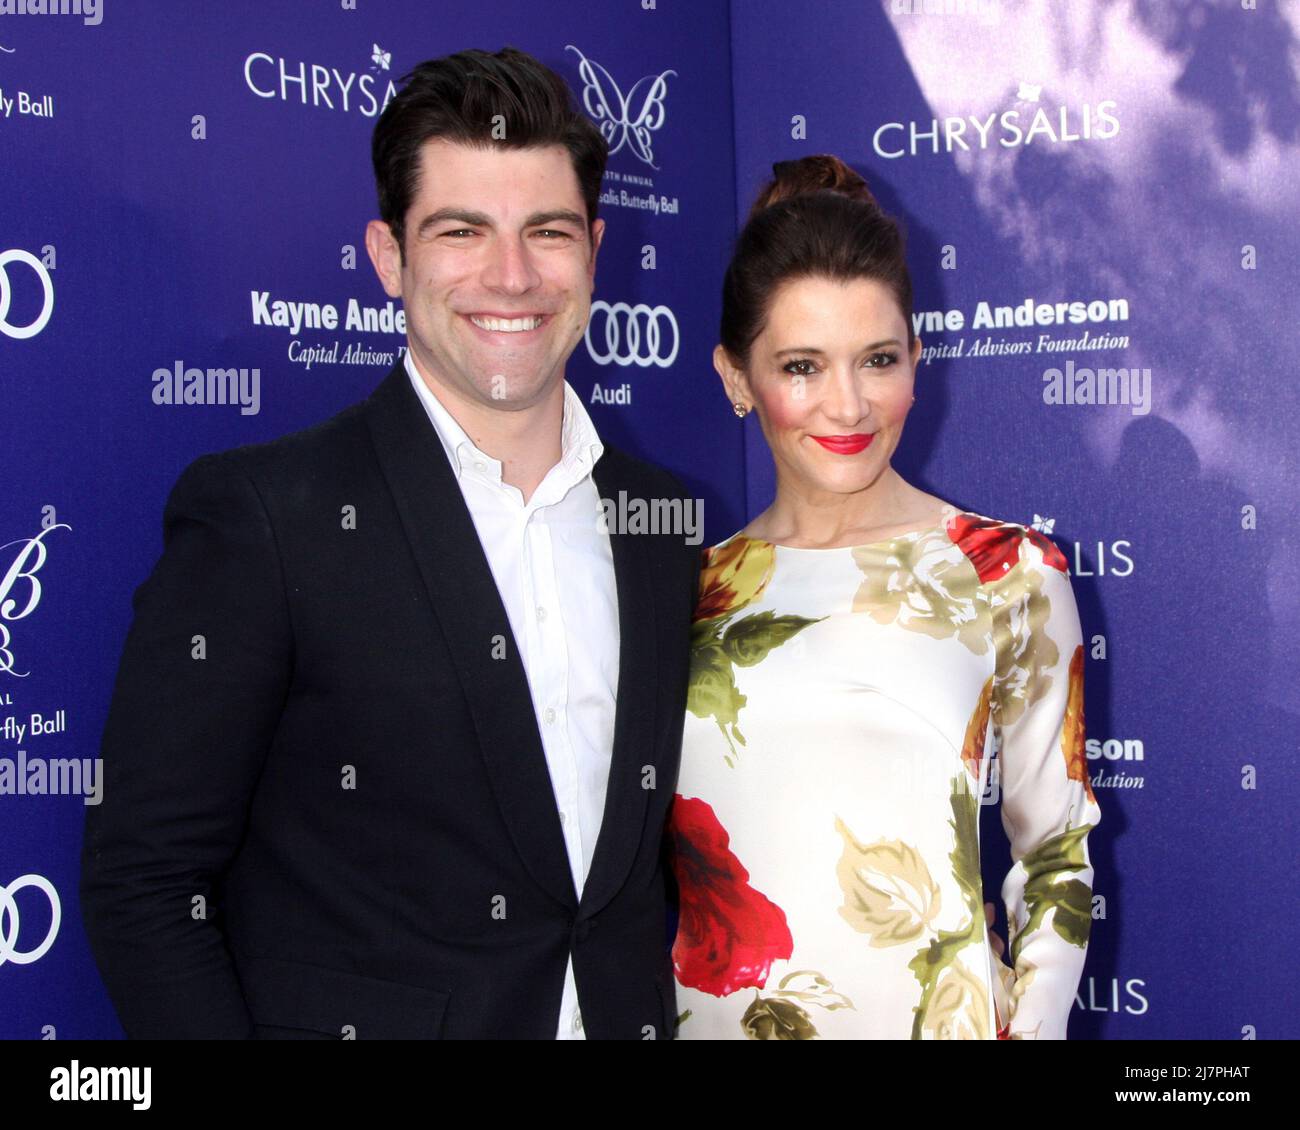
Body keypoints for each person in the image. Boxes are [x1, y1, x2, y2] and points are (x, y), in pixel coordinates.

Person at [79, 47, 699, 1040]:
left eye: (546, 231)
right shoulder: (267, 516)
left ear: (593, 249)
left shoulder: (661, 522)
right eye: (461, 231)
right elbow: (144, 879)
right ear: (388, 257)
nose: (511, 275)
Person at [667, 155, 1101, 1040]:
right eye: (802, 366)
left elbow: (1055, 859)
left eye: (877, 360)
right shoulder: (683, 594)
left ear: (916, 360)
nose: (849, 405)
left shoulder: (1009, 573)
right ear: (736, 377)